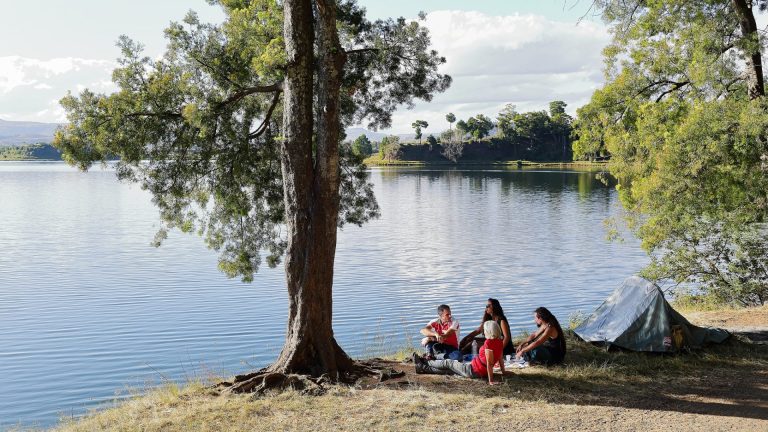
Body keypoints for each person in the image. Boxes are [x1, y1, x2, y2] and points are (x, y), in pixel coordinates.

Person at [414, 320, 508, 385]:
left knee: (448, 363)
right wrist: (503, 372)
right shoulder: (499, 341)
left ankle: (426, 361)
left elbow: (489, 363)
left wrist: (490, 380)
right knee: (448, 370)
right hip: (475, 370)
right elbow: (500, 357)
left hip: (473, 370)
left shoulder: (488, 343)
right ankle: (422, 367)